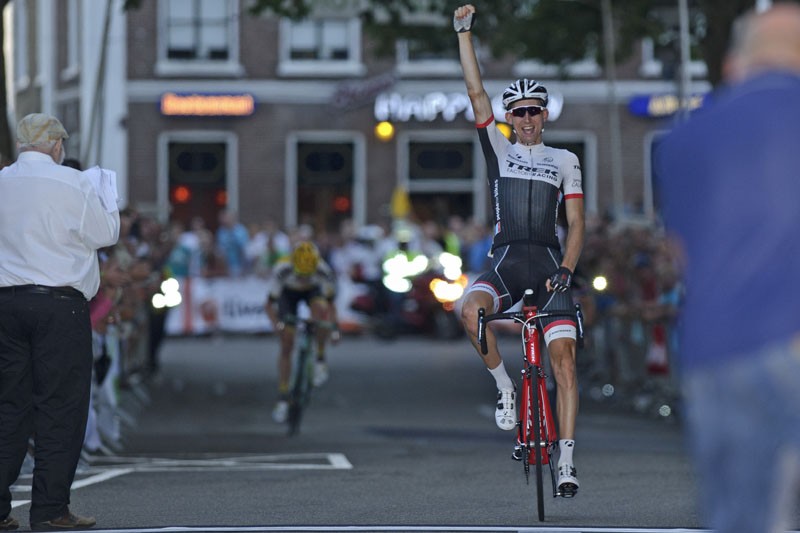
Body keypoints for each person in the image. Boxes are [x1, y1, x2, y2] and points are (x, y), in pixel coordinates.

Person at [656, 5, 800, 533]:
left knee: (743, 516)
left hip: (723, 347)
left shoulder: (685, 139)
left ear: (736, 66)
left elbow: (683, 252)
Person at [453, 4, 586, 496]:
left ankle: (567, 461)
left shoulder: (565, 160)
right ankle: (506, 389)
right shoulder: (499, 149)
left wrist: (568, 269)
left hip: (551, 265)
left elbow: (576, 223)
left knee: (565, 362)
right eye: (519, 112)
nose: (527, 119)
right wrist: (464, 34)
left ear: (544, 115)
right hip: (505, 261)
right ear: (509, 118)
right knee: (471, 312)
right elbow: (475, 91)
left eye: (534, 111)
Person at [0, 113, 120, 531]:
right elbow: (105, 234)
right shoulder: (73, 183)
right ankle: (50, 509)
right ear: (55, 145)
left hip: (6, 303)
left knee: (8, 407)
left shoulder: (1, 182)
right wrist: (106, 194)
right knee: (60, 407)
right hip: (59, 304)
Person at [265, 241, 339, 423]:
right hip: (288, 295)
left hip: (313, 293)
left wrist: (334, 330)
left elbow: (331, 305)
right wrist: (278, 325)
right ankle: (283, 395)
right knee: (286, 344)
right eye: (301, 275)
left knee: (321, 312)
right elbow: (269, 304)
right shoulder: (282, 268)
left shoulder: (323, 271)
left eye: (308, 275)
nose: (304, 279)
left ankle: (320, 357)